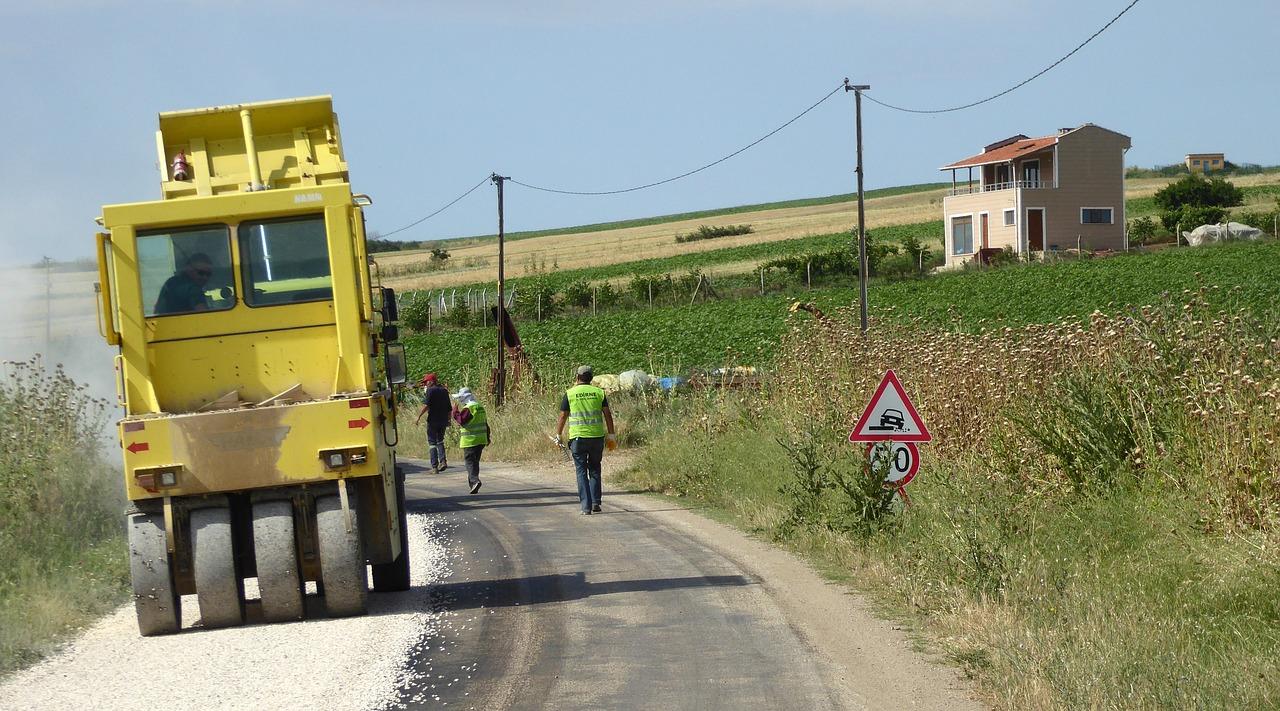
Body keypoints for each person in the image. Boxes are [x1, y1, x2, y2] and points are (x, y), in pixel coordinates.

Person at [555, 365, 616, 515]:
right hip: (596, 438)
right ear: (591, 378)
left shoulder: (570, 393)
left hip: (578, 438)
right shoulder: (599, 393)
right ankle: (596, 502)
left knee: (581, 471)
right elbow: (607, 415)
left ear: (577, 377)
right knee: (595, 468)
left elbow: (563, 416)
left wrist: (558, 434)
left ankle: (586, 507)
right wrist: (611, 435)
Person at [451, 387, 489, 494]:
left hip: (470, 440)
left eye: (460, 398)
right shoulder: (480, 406)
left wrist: (455, 411)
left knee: (469, 462)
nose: (459, 400)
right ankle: (473, 484)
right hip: (481, 439)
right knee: (474, 462)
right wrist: (488, 437)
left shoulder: (468, 408)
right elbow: (485, 423)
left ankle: (474, 481)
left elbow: (461, 420)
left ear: (464, 398)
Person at [413, 373, 452, 473]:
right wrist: (449, 420)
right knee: (440, 441)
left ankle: (434, 467)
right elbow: (449, 408)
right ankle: (443, 461)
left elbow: (426, 405)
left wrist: (418, 416)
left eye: (426, 382)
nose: (425, 384)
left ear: (431, 381)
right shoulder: (444, 390)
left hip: (433, 421)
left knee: (432, 443)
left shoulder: (430, 391)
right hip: (443, 420)